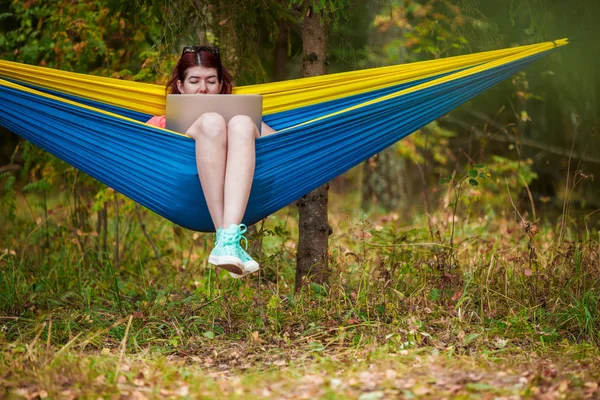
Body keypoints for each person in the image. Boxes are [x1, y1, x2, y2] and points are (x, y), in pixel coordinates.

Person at [147, 45, 275, 278]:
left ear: (220, 85)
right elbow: (138, 151)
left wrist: (248, 120)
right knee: (212, 122)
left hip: (235, 193)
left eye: (211, 81)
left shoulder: (241, 118)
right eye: (194, 81)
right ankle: (227, 239)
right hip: (184, 194)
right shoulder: (163, 122)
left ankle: (228, 243)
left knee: (242, 123)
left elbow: (280, 148)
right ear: (180, 86)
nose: (203, 89)